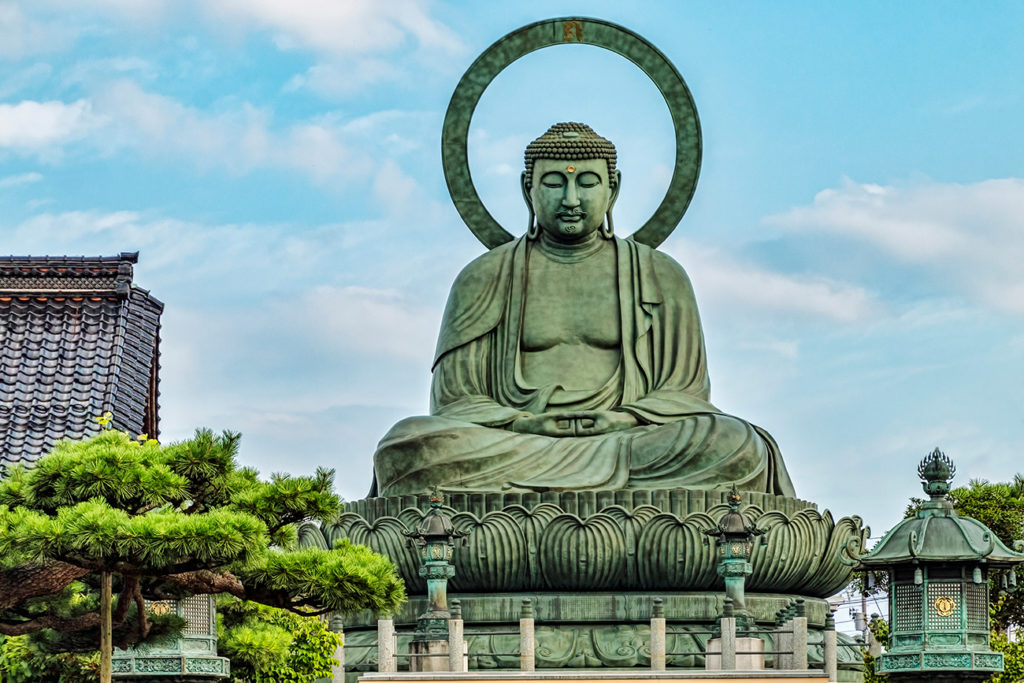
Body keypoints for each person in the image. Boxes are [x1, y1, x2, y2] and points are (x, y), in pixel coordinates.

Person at [371, 122, 795, 498]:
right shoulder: (484, 276)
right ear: (527, 189)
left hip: (630, 440)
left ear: (614, 189)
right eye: (554, 182)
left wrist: (623, 419)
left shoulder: (661, 275)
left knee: (733, 443)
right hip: (516, 441)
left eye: (588, 182)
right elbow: (455, 400)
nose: (571, 198)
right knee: (410, 444)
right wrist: (523, 424)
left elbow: (685, 395)